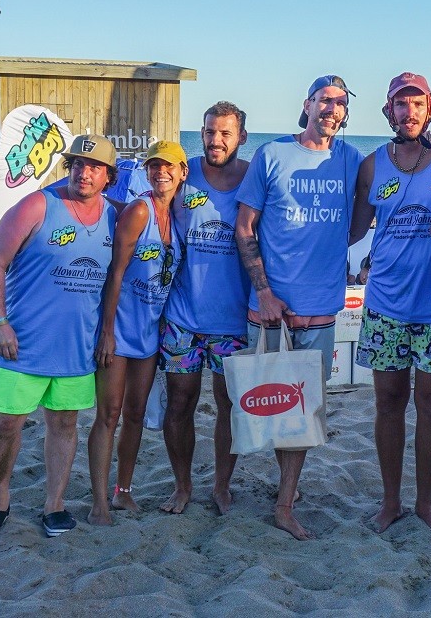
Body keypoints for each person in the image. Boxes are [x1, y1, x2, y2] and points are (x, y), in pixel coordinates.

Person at [0, 135, 119, 538]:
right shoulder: (39, 205)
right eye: (76, 164)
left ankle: (55, 504)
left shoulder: (112, 217)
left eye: (93, 167)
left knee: (65, 425)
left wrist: (106, 333)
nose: (83, 172)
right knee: (6, 424)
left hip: (75, 348)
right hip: (21, 343)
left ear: (108, 176)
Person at [235, 75, 363, 539]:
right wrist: (265, 291)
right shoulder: (271, 155)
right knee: (267, 404)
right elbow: (245, 227)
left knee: (303, 410)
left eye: (340, 103)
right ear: (307, 104)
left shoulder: (350, 159)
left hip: (321, 309)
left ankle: (285, 500)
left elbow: (366, 213)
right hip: (269, 307)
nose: (332, 109)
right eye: (325, 100)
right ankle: (272, 488)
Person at [351, 72, 431, 536]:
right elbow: (353, 230)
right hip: (385, 303)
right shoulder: (370, 165)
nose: (408, 112)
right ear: (388, 111)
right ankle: (390, 501)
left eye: (416, 103)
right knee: (387, 403)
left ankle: (425, 502)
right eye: (399, 104)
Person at [87, 140, 188, 525]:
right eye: (153, 166)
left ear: (182, 173)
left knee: (136, 414)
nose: (160, 172)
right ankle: (99, 501)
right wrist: (107, 332)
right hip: (120, 330)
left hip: (148, 335)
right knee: (108, 414)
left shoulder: (174, 217)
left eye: (168, 166)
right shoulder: (140, 210)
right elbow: (115, 272)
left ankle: (123, 491)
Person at [159, 102, 250, 515]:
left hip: (233, 320)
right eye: (210, 132)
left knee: (229, 405)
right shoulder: (184, 172)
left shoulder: (252, 177)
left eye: (226, 134)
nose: (216, 141)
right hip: (182, 317)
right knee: (180, 403)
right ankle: (182, 485)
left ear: (241, 137)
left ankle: (222, 485)